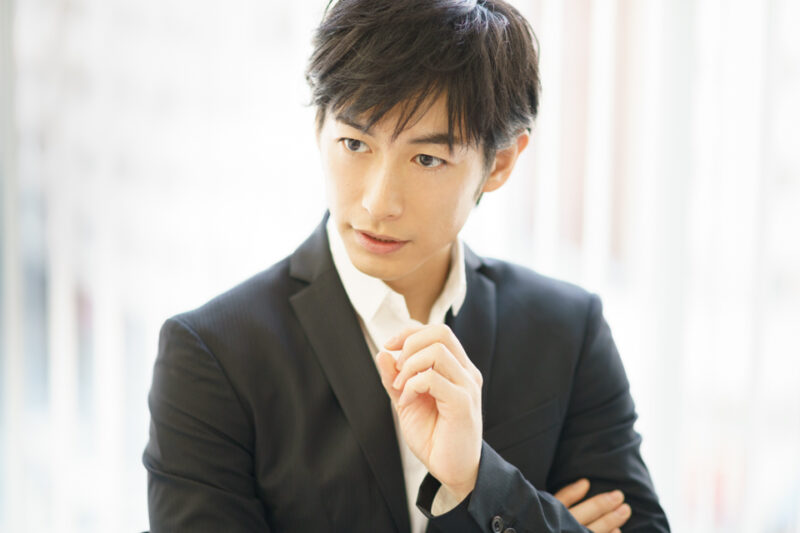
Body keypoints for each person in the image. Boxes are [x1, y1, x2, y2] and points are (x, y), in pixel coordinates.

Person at [142, 0, 670, 531]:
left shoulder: (565, 330)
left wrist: (480, 480)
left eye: (426, 159)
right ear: (319, 127)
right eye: (355, 143)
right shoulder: (214, 355)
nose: (378, 202)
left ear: (501, 162)